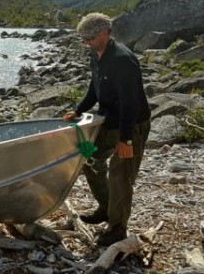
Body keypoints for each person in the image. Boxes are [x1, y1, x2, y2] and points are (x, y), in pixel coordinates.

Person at [63, 12, 151, 247]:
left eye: (89, 38)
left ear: (105, 33)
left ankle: (117, 229)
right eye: (83, 38)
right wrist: (79, 110)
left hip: (131, 125)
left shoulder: (123, 59)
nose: (86, 43)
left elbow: (130, 103)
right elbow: (95, 88)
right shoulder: (96, 54)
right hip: (109, 120)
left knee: (120, 176)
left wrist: (126, 140)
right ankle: (106, 207)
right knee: (89, 158)